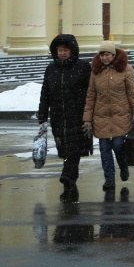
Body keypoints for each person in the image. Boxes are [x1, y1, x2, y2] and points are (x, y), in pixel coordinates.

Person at [37, 33, 93, 201]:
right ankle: (71, 175)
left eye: (65, 50)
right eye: (60, 50)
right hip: (58, 116)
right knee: (64, 148)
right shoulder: (51, 68)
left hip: (77, 115)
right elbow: (45, 93)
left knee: (74, 147)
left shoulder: (83, 67)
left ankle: (67, 175)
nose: (62, 53)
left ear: (72, 51)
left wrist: (90, 113)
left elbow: (91, 92)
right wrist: (42, 114)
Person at [83, 40, 134, 191]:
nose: (104, 58)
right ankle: (109, 179)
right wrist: (87, 118)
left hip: (121, 115)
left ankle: (123, 166)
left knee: (118, 146)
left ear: (113, 55)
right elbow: (91, 96)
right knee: (104, 149)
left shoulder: (126, 69)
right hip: (101, 116)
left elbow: (132, 93)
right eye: (102, 55)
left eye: (107, 54)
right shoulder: (95, 72)